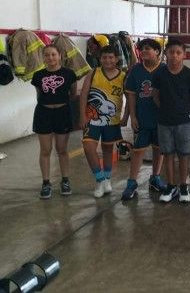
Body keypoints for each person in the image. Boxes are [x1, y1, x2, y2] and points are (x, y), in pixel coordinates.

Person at [152, 40, 190, 204]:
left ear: (184, 55)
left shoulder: (189, 74)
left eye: (178, 52)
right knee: (168, 154)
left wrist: (187, 112)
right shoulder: (159, 74)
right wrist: (163, 110)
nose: (174, 55)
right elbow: (155, 95)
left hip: (184, 122)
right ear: (166, 54)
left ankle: (184, 186)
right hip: (164, 122)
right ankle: (171, 186)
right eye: (171, 52)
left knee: (184, 154)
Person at [121, 39, 166, 201]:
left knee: (158, 148)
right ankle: (132, 182)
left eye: (148, 49)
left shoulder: (164, 69)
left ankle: (155, 178)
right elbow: (131, 95)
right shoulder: (136, 70)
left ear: (157, 51)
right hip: (142, 117)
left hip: (161, 118)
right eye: (142, 49)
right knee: (138, 150)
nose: (144, 52)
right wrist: (132, 116)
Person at [31, 45, 77, 199]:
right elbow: (39, 96)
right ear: (43, 57)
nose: (50, 58)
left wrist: (60, 105)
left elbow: (72, 94)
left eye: (53, 54)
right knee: (45, 150)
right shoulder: (38, 75)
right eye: (47, 55)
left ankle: (65, 181)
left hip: (62, 113)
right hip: (43, 113)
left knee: (62, 149)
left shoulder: (69, 74)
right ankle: (46, 183)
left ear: (59, 56)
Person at [80, 45, 126, 198]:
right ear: (100, 59)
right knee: (88, 147)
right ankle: (99, 179)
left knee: (107, 150)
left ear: (117, 59)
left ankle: (107, 179)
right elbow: (84, 95)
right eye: (104, 57)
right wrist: (82, 115)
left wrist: (126, 117)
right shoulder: (93, 73)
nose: (107, 60)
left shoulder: (123, 76)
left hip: (112, 120)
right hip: (91, 118)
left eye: (111, 57)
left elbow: (131, 98)